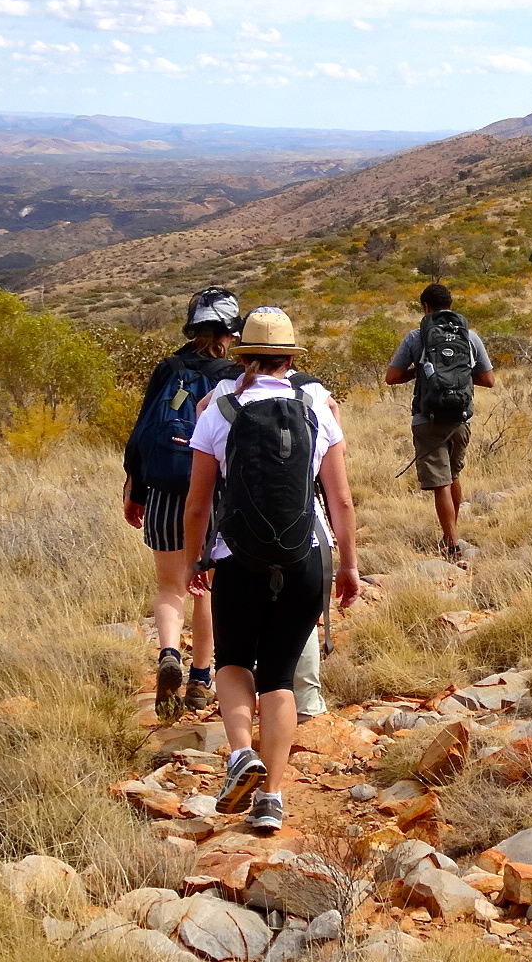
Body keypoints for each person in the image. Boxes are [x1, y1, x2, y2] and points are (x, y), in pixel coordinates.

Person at [182, 307, 359, 832]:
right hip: (306, 557)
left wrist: (198, 557)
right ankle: (272, 799)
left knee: (233, 662)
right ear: (289, 359)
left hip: (239, 558)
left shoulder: (218, 410)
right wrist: (347, 565)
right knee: (280, 677)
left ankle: (241, 754)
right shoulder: (317, 410)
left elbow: (197, 502)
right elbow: (342, 499)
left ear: (244, 358)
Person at [123, 287, 243, 719]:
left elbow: (141, 432)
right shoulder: (235, 374)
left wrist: (134, 490)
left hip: (163, 491)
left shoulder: (169, 367)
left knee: (169, 587)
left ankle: (169, 651)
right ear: (232, 330)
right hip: (213, 498)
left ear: (192, 326)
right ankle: (199, 678)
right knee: (205, 589)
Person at [384, 283, 495, 557]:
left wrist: (421, 372)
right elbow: (488, 380)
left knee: (441, 482)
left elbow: (392, 377)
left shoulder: (415, 337)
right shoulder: (470, 337)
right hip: (460, 417)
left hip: (427, 417)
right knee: (453, 476)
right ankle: (451, 535)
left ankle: (452, 541)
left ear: (425, 307)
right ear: (451, 304)